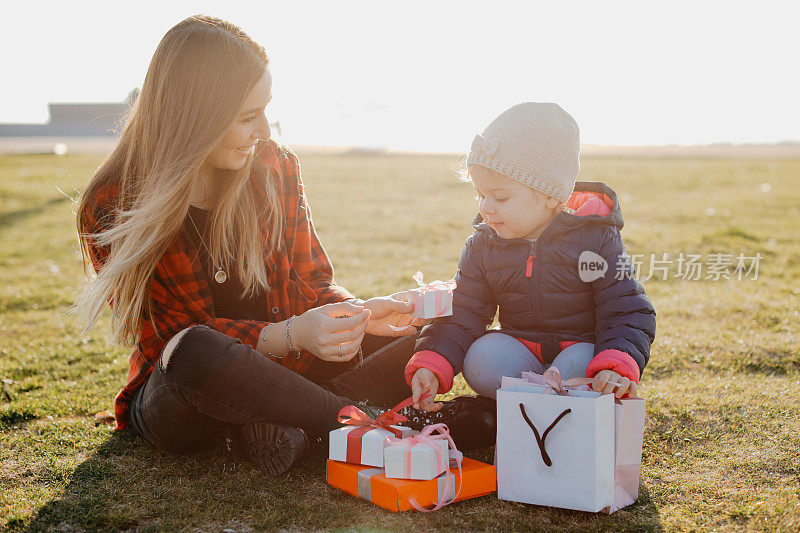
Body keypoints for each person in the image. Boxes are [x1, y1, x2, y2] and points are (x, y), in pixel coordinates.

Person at [74, 15, 432, 476]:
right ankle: (348, 422)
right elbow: (178, 336)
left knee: (430, 334)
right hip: (184, 397)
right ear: (194, 117)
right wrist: (294, 335)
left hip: (292, 372)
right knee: (195, 350)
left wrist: (361, 315)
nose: (264, 129)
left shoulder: (275, 166)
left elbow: (313, 282)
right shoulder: (116, 201)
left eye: (266, 109)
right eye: (247, 117)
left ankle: (292, 426)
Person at [403, 102, 657, 426]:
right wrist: (433, 361)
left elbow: (625, 307)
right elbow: (464, 310)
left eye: (501, 197)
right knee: (481, 357)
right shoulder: (483, 245)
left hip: (579, 354)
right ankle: (532, 412)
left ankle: (548, 413)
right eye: (481, 195)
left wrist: (615, 362)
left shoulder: (595, 240)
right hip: (522, 353)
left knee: (582, 362)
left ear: (550, 194)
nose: (487, 208)